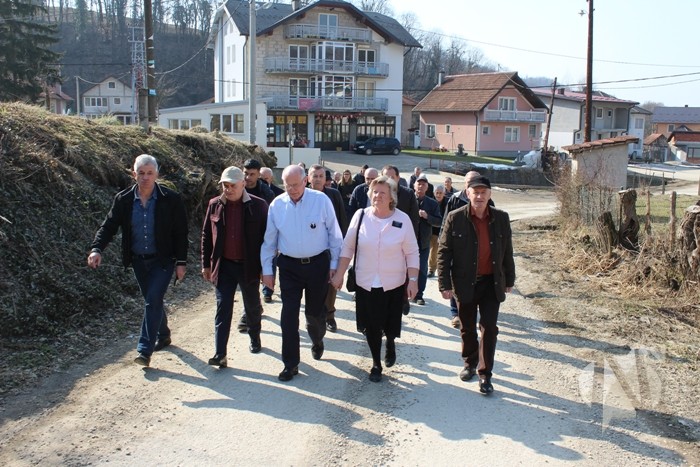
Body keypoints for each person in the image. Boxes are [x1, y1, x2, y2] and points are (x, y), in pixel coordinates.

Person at [87, 154, 188, 367]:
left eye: (150, 173)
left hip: (163, 260)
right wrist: (97, 249)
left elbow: (180, 232)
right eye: (141, 173)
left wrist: (181, 262)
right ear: (134, 174)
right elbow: (109, 226)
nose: (145, 177)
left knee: (153, 300)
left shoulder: (170, 199)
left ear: (157, 174)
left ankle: (144, 350)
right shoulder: (123, 200)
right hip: (139, 261)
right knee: (153, 300)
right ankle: (163, 334)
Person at [330, 176, 419, 383]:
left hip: (394, 282)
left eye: (382, 192)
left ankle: (390, 341)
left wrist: (413, 280)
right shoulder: (361, 216)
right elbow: (348, 247)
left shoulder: (403, 219)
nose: (377, 195)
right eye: (374, 191)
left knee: (390, 322)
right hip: (366, 281)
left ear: (392, 197)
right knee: (371, 325)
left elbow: (412, 252)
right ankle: (376, 363)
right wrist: (340, 273)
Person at [261, 165, 343, 382]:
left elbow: (335, 236)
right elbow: (269, 241)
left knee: (314, 315)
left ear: (305, 181)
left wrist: (335, 266)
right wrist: (267, 271)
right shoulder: (277, 205)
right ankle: (290, 363)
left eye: (296, 185)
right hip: (289, 267)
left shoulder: (321, 201)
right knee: (288, 315)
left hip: (317, 265)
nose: (292, 189)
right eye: (288, 185)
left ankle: (317, 339)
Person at [438, 175, 515, 395]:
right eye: (475, 192)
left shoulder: (501, 218)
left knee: (489, 328)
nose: (479, 196)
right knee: (467, 327)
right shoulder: (455, 217)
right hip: (465, 282)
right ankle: (469, 363)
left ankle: (485, 373)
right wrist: (444, 283)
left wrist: (509, 279)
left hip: (491, 282)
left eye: (483, 192)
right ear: (468, 193)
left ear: (489, 195)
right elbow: (444, 252)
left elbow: (507, 250)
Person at [200, 167, 268, 368]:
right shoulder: (214, 205)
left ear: (243, 184)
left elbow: (268, 239)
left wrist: (266, 269)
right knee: (223, 308)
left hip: (248, 265)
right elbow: (206, 235)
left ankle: (255, 337)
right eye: (225, 185)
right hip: (224, 266)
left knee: (252, 306)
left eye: (232, 186)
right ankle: (220, 353)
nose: (228, 190)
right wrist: (206, 264)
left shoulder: (258, 206)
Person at [443, 170, 488, 327]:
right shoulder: (455, 199)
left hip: (478, 249)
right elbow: (445, 223)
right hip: (458, 248)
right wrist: (444, 242)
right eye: (468, 182)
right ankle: (456, 313)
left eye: (474, 181)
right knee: (456, 280)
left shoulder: (485, 200)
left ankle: (475, 310)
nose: (471, 185)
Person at [308, 164, 348, 333]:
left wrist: (343, 246)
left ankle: (330, 316)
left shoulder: (334, 194)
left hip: (331, 247)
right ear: (308, 178)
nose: (318, 179)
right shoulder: (303, 195)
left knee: (331, 283)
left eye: (321, 176)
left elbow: (341, 220)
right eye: (314, 176)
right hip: (310, 249)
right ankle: (314, 317)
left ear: (326, 179)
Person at [381, 165, 420, 314]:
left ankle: (403, 298)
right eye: (386, 177)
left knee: (402, 272)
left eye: (392, 177)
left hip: (402, 241)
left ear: (398, 178)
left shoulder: (408, 194)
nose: (389, 180)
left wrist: (410, 241)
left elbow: (414, 219)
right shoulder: (379, 193)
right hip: (383, 242)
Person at [241, 159, 276, 318]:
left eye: (252, 174)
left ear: (258, 175)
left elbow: (272, 219)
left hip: (261, 241)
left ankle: (252, 310)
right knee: (247, 280)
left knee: (254, 278)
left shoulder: (266, 193)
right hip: (241, 240)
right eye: (246, 173)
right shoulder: (237, 188)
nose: (248, 177)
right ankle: (249, 311)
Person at [413, 174, 442, 306]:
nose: (421, 186)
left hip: (423, 242)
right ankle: (404, 294)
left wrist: (427, 216)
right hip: (407, 241)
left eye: (423, 184)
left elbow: (439, 221)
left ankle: (419, 295)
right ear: (414, 185)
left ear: (427, 187)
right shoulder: (408, 199)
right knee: (404, 268)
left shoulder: (432, 203)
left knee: (422, 269)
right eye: (419, 183)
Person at [428, 184, 448, 278]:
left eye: (440, 193)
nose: (438, 195)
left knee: (434, 250)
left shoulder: (448, 202)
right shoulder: (430, 201)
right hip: (428, 228)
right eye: (437, 193)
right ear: (434, 193)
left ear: (444, 193)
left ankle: (431, 270)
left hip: (439, 230)